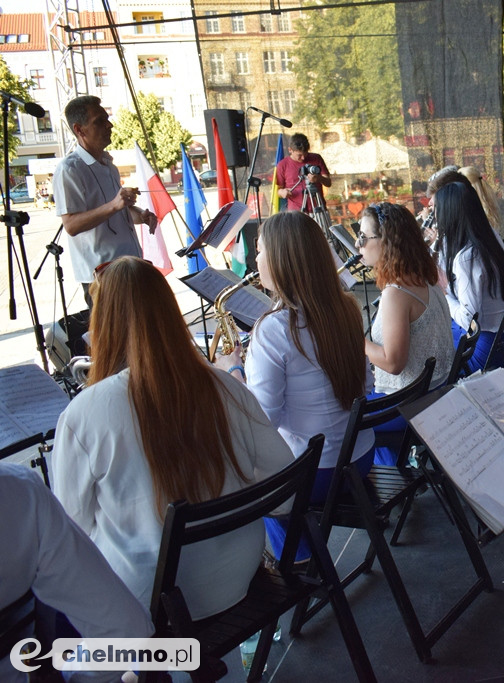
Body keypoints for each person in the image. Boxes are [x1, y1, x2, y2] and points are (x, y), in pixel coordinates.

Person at [52, 257, 295, 620]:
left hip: (152, 601)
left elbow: (70, 534)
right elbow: (284, 487)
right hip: (238, 575)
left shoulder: (84, 413)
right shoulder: (226, 385)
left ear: (102, 324)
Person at [214, 211, 375, 557]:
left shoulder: (274, 329)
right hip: (359, 456)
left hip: (316, 474)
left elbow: (262, 421)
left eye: (259, 251)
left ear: (282, 260)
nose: (254, 260)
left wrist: (233, 371)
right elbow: (367, 380)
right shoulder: (345, 307)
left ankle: (298, 562)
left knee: (241, 477)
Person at [1, 462, 154, 683]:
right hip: (178, 587)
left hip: (142, 585)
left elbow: (74, 513)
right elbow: (126, 633)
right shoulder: (21, 491)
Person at [52, 95, 157, 307]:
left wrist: (140, 215)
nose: (109, 125)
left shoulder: (109, 165)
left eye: (107, 119)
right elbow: (71, 225)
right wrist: (114, 205)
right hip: (102, 276)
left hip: (129, 267)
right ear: (79, 130)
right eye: (99, 121)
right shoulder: (69, 170)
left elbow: (119, 210)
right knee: (115, 340)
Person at [359, 202, 455, 393]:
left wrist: (354, 340)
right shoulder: (425, 275)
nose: (357, 244)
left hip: (409, 403)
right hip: (436, 389)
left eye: (362, 237)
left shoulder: (396, 294)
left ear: (386, 242)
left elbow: (393, 364)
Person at [434, 182, 504, 373]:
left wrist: (444, 292)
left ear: (450, 213)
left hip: (485, 351)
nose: (436, 218)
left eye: (437, 211)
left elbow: (469, 319)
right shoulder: (489, 235)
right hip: (503, 339)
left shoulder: (468, 257)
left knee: (430, 360)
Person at [274, 132, 332, 213]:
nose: (303, 158)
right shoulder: (282, 165)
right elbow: (277, 190)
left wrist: (318, 178)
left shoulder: (316, 158)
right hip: (295, 211)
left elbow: (328, 183)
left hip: (318, 208)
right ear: (290, 150)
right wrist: (282, 192)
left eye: (306, 153)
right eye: (299, 155)